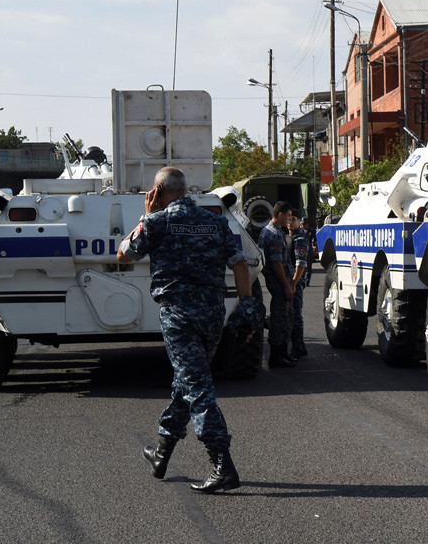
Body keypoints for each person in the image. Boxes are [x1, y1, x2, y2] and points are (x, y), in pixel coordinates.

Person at [117, 166, 254, 493]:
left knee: (198, 387)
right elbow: (240, 264)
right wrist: (247, 306)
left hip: (178, 315)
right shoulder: (215, 221)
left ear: (157, 192)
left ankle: (222, 464)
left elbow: (123, 254)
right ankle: (161, 453)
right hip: (212, 313)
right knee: (189, 382)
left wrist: (146, 216)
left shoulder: (157, 222)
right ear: (186, 190)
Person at [258, 201, 296, 368]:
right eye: (288, 215)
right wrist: (287, 285)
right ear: (280, 214)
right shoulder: (274, 234)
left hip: (279, 280)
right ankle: (276, 356)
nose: (289, 219)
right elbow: (277, 263)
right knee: (280, 318)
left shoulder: (269, 230)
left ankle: (282, 353)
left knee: (286, 316)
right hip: (279, 281)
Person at [288, 211, 309, 358]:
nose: (290, 222)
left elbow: (301, 264)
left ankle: (298, 346)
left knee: (296, 315)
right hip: (288, 281)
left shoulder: (300, 238)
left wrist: (294, 283)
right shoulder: (288, 236)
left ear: (298, 222)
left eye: (293, 219)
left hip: (295, 281)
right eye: (289, 219)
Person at [301, 217, 317, 286]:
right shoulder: (299, 231)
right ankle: (301, 280)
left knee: (309, 267)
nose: (303, 226)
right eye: (302, 224)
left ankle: (307, 281)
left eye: (304, 224)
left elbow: (315, 241)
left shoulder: (312, 231)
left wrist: (315, 250)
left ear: (307, 224)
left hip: (309, 250)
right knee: (301, 266)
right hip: (301, 251)